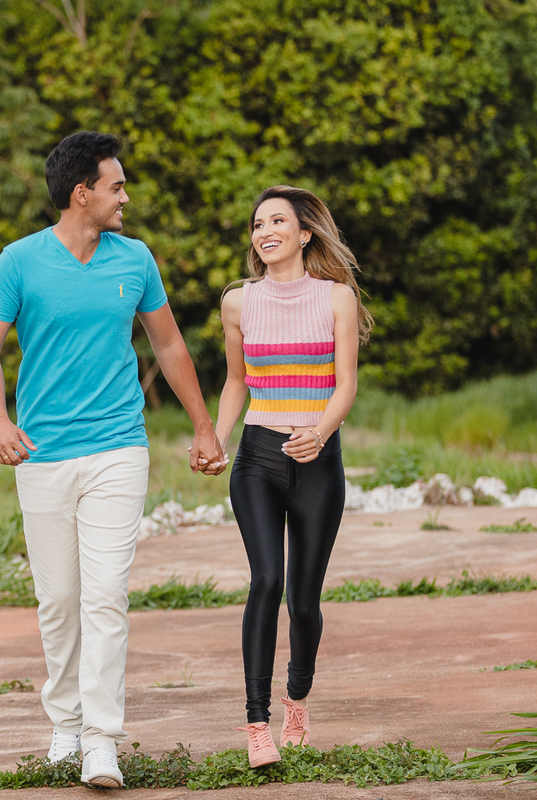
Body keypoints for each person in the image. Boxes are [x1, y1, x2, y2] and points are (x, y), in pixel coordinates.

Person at [0, 131, 226, 789]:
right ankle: (65, 720)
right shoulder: (19, 262)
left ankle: (102, 741)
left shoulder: (135, 259)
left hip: (118, 448)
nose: (125, 196)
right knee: (59, 598)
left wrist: (203, 425)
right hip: (43, 455)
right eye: (116, 185)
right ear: (82, 194)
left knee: (106, 594)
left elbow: (168, 346)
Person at [211, 185, 372, 768]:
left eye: (277, 220)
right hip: (257, 457)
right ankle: (257, 724)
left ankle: (296, 700)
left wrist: (321, 432)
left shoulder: (337, 299)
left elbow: (346, 385)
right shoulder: (237, 302)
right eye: (257, 223)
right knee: (266, 580)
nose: (264, 231)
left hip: (317, 461)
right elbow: (236, 382)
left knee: (304, 602)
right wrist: (218, 438)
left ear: (305, 233)